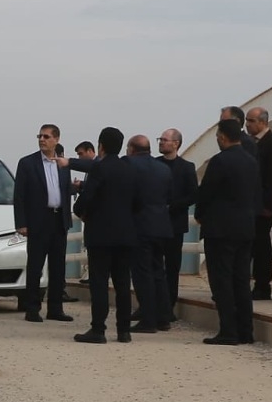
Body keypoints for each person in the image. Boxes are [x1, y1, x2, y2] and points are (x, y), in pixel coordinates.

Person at [63, 128, 138, 343]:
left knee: (99, 283)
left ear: (101, 146)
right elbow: (138, 202)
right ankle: (124, 330)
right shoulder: (130, 169)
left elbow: (87, 198)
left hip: (101, 235)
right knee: (123, 284)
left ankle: (98, 329)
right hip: (126, 234)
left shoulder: (99, 168)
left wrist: (80, 211)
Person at [196, 117, 262, 345]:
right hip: (245, 228)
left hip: (220, 229)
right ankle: (246, 331)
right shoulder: (251, 161)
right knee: (241, 280)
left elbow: (206, 193)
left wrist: (200, 215)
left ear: (222, 137)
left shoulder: (219, 161)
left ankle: (228, 331)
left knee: (222, 280)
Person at [14, 123, 74, 323]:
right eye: (40, 136)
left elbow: (66, 191)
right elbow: (19, 195)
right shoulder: (27, 163)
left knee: (58, 267)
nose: (42, 140)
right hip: (38, 221)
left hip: (58, 220)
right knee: (35, 265)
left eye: (46, 136)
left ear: (56, 139)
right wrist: (21, 223)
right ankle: (32, 308)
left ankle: (55, 309)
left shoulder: (63, 164)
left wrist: (67, 218)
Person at [123, 134, 173, 332]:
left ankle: (148, 320)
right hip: (161, 225)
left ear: (132, 149)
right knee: (158, 272)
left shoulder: (129, 164)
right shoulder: (163, 168)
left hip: (140, 226)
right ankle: (163, 317)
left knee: (142, 274)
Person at [246, 106, 272, 301]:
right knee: (249, 244)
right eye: (246, 120)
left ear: (263, 122)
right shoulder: (248, 143)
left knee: (261, 244)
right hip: (249, 203)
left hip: (263, 205)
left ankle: (262, 285)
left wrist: (268, 206)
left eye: (251, 121)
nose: (247, 125)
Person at [158, 128, 197, 321]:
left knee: (172, 268)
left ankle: (168, 308)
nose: (161, 142)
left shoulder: (187, 167)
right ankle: (150, 305)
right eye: (160, 139)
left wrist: (172, 206)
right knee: (153, 266)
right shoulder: (155, 164)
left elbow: (193, 194)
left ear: (176, 143)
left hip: (175, 224)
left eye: (165, 139)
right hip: (155, 223)